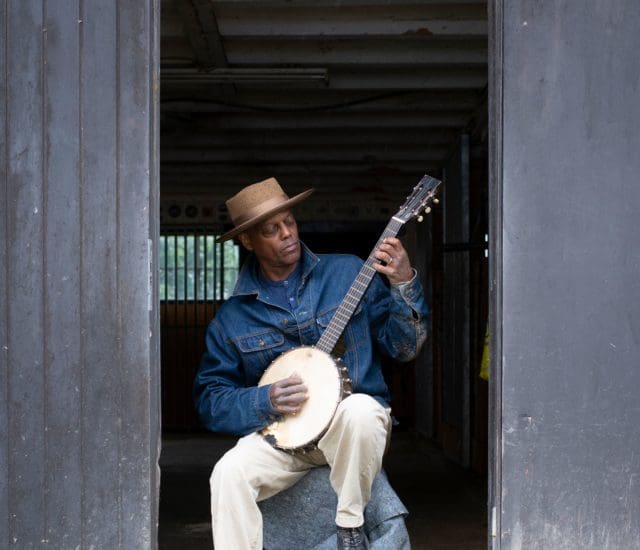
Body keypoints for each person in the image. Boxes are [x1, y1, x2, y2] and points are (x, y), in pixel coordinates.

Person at [193, 177, 429, 550]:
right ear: (247, 240)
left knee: (363, 411)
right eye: (272, 229)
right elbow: (210, 400)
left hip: (347, 431)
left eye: (290, 221)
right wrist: (264, 400)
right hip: (287, 440)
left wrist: (403, 284)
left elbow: (402, 348)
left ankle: (349, 527)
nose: (287, 233)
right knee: (228, 473)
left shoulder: (348, 272)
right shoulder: (232, 319)